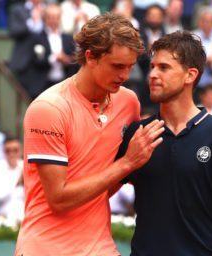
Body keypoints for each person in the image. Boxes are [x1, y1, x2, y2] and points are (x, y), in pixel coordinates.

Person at [15, 12, 165, 256]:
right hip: (44, 248)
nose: (125, 76)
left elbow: (105, 186)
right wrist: (126, 163)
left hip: (100, 247)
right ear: (90, 57)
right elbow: (59, 199)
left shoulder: (128, 102)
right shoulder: (48, 109)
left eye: (129, 67)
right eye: (117, 66)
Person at [116, 30, 212, 256]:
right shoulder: (136, 133)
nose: (152, 74)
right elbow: (102, 194)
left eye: (164, 67)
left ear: (190, 75)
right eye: (152, 67)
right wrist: (127, 162)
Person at [25, 4, 79, 99]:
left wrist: (66, 60)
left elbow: (75, 61)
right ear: (45, 19)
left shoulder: (68, 38)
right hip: (43, 84)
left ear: (60, 18)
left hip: (64, 83)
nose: (53, 20)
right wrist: (54, 58)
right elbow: (34, 60)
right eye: (50, 17)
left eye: (56, 17)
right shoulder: (37, 38)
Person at [0, 135, 25, 224]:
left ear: (21, 151)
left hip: (25, 218)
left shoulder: (27, 167)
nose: (12, 154)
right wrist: (16, 183)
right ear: (3, 152)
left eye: (15, 150)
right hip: (1, 219)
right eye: (8, 151)